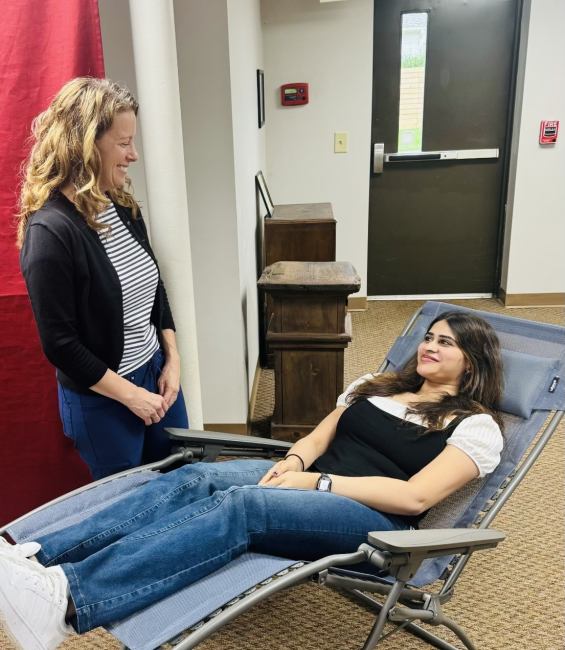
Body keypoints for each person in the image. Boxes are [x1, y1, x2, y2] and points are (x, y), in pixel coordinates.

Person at [0, 311, 504, 650]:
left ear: (472, 362)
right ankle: (36, 555)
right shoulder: (377, 388)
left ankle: (67, 599)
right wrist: (297, 463)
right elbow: (318, 437)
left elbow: (416, 495)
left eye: (446, 343)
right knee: (198, 477)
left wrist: (320, 485)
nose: (429, 346)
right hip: (316, 482)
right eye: (429, 336)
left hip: (373, 518)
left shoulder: (474, 425)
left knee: (245, 507)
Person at [16, 78, 188, 480]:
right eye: (123, 143)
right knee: (131, 510)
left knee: (179, 483)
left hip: (155, 374)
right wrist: (132, 397)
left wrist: (173, 360)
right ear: (86, 143)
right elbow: (60, 345)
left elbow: (155, 288)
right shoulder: (51, 232)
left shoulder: (122, 203)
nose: (134, 154)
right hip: (105, 399)